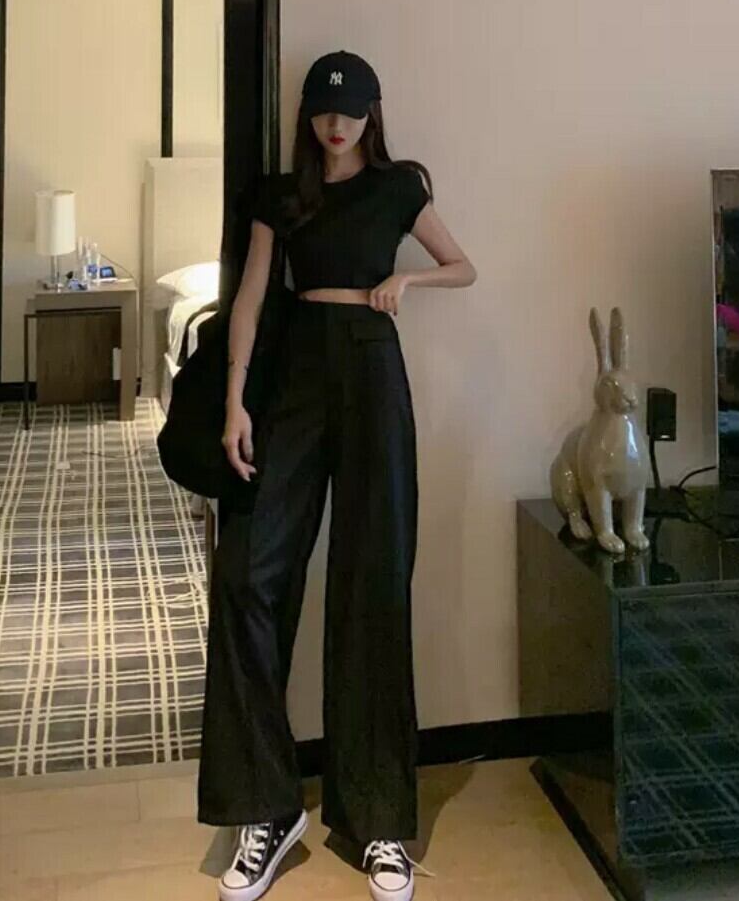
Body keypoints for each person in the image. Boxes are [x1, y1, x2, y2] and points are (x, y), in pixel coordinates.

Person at [196, 49, 477, 901]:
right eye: (324, 109)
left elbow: (464, 264)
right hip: (296, 378)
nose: (335, 123)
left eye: (350, 110)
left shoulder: (398, 187)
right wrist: (234, 401)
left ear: (370, 114)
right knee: (247, 573)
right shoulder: (282, 195)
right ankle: (266, 808)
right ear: (308, 114)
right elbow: (250, 297)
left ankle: (378, 818)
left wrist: (406, 278)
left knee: (373, 581)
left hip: (373, 369)